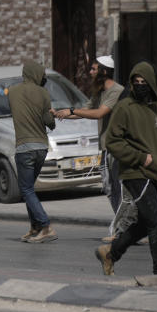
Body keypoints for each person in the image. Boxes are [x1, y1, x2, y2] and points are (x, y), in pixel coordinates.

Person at [95, 62, 157, 283]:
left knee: (146, 223)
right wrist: (140, 157)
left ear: (152, 83)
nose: (140, 86)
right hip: (134, 172)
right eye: (136, 82)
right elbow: (112, 141)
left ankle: (110, 252)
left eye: (144, 82)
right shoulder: (124, 107)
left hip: (153, 173)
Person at [54, 55, 128, 241]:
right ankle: (127, 227)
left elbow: (99, 113)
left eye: (94, 69)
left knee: (119, 187)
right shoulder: (99, 92)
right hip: (105, 148)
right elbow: (85, 111)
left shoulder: (116, 91)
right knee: (109, 187)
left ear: (104, 71)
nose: (90, 72)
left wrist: (72, 111)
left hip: (117, 148)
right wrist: (60, 113)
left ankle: (122, 229)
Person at [8, 60, 58, 243]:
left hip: (24, 148)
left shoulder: (12, 92)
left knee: (26, 188)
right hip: (41, 148)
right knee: (29, 189)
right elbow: (49, 122)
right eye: (42, 75)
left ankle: (45, 226)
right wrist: (52, 117)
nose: (44, 78)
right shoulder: (44, 93)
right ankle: (35, 227)